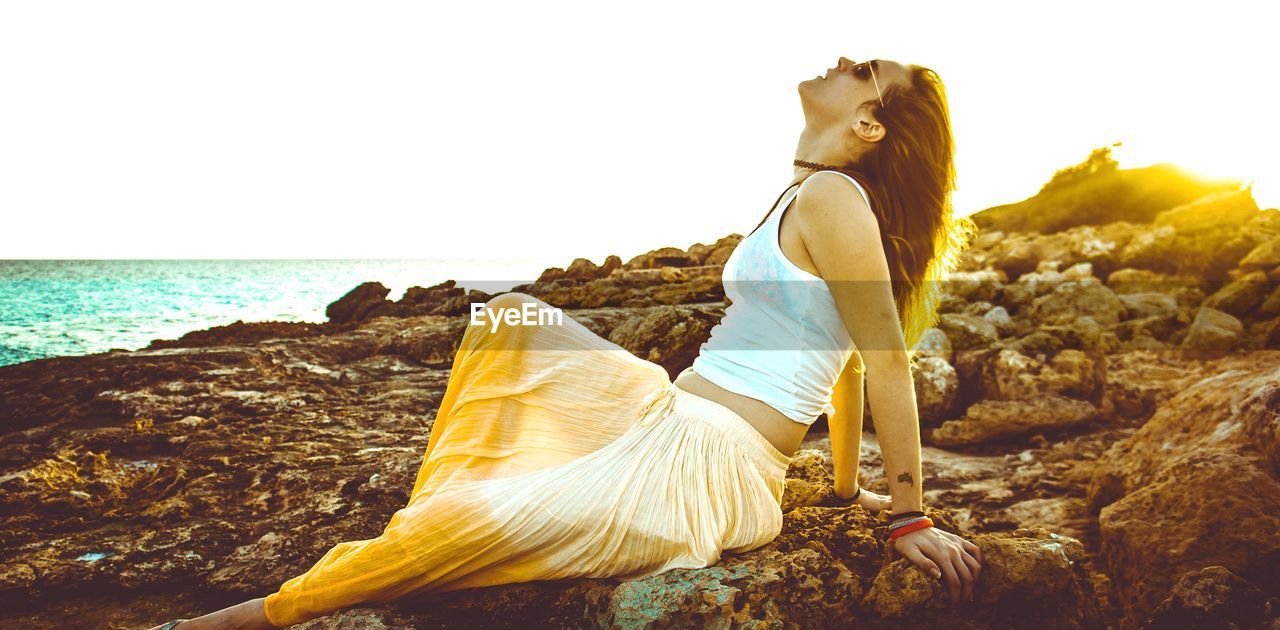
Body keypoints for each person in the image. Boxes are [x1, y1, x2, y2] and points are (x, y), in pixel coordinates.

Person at [150, 56, 982, 630]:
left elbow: (880, 360)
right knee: (510, 320)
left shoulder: (837, 196)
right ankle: (460, 494)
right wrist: (839, 490)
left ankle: (261, 614)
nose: (845, 58)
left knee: (464, 533)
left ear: (870, 122)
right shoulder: (814, 192)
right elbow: (838, 355)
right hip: (664, 410)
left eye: (866, 70)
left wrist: (908, 516)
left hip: (702, 459)